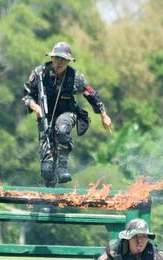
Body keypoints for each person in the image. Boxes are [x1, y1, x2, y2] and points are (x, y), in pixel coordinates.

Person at [23, 41, 113, 187]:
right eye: (57, 58)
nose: (59, 62)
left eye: (63, 60)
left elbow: (91, 94)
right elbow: (27, 94)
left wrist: (104, 114)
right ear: (51, 58)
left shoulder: (75, 76)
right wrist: (35, 106)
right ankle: (49, 197)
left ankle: (62, 167)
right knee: (46, 169)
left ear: (68, 61)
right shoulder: (39, 73)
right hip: (44, 117)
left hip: (67, 112)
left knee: (62, 129)